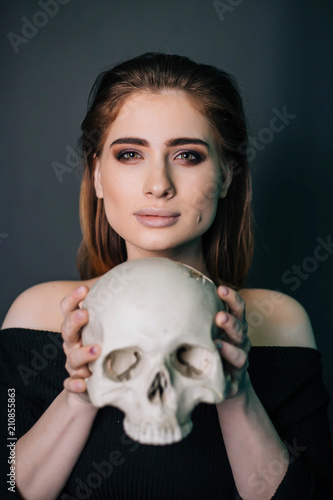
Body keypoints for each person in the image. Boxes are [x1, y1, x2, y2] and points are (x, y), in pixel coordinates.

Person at [1, 52, 332, 500]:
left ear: (227, 174)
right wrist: (78, 395)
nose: (158, 184)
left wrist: (236, 393)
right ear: (98, 174)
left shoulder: (279, 321)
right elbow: (8, 483)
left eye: (188, 155)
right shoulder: (37, 313)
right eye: (130, 154)